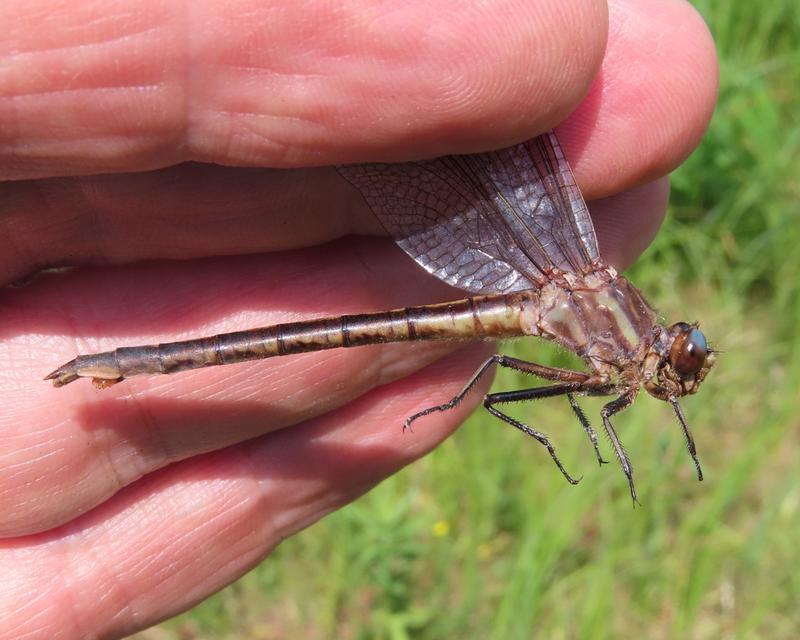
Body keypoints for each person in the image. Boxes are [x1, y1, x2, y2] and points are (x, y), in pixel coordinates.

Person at [0, 0, 717, 636]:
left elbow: (547, 389)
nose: (675, 371)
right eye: (681, 359)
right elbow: (523, 380)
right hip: (531, 291)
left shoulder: (619, 345)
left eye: (680, 363)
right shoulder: (609, 319)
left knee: (500, 370)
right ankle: (128, 365)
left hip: (530, 298)